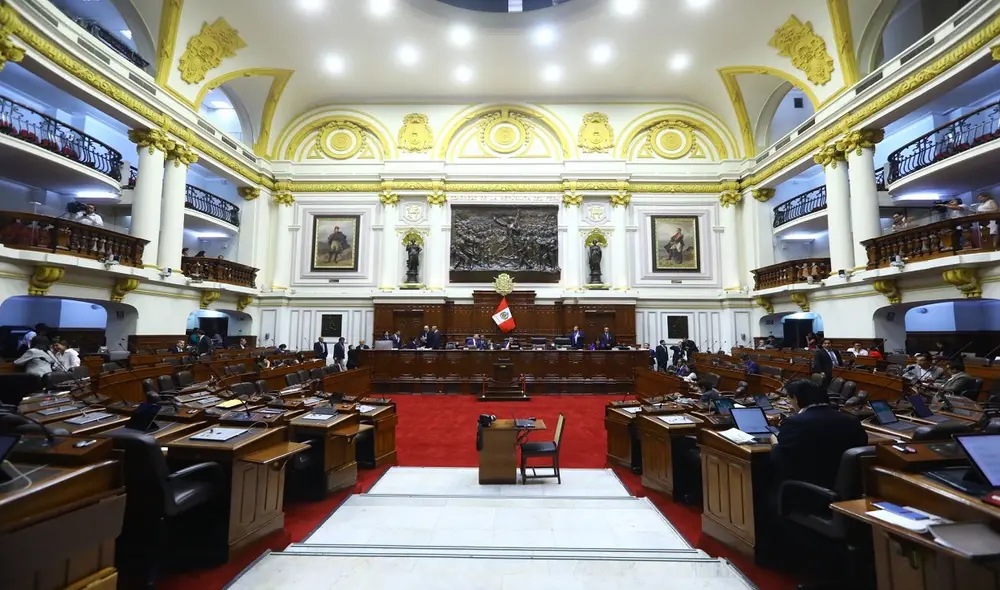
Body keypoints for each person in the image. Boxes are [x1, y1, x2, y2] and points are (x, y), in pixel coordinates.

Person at [770, 380, 867, 490]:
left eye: (789, 399)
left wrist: (775, 442)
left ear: (796, 399)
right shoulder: (852, 421)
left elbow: (778, 460)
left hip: (805, 489)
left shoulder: (794, 422)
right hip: (848, 488)